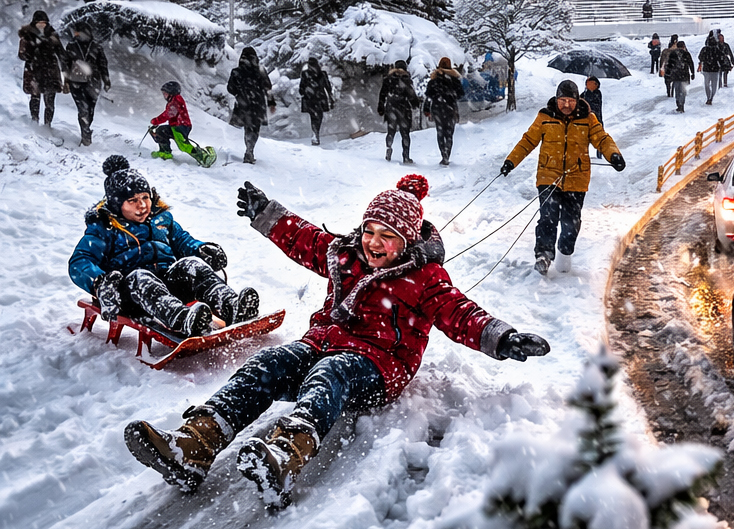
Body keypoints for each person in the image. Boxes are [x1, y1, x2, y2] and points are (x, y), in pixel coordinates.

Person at [123, 174, 549, 510]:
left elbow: (459, 312)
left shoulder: (424, 277)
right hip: (323, 340)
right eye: (370, 230)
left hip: (380, 364)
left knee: (330, 373)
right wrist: (266, 213)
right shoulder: (345, 253)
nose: (374, 243)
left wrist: (502, 338)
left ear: (407, 241)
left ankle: (287, 455)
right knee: (270, 362)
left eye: (388, 236)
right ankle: (195, 444)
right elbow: (303, 238)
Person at [71, 155, 259, 338]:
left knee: (192, 265)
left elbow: (182, 241)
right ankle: (184, 321)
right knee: (140, 276)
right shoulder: (104, 228)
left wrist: (202, 250)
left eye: (145, 197)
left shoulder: (161, 219)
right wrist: (99, 283)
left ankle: (232, 306)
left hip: (167, 287)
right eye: (132, 200)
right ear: (117, 205)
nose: (142, 205)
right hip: (129, 295)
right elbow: (80, 262)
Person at [501, 80, 625, 275]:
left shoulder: (587, 118)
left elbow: (602, 139)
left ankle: (565, 255)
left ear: (577, 100)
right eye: (562, 100)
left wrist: (614, 155)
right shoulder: (545, 117)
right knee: (548, 216)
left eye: (570, 101)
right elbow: (528, 141)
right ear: (556, 99)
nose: (566, 105)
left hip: (577, 178)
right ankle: (543, 254)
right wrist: (511, 161)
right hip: (548, 176)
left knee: (571, 222)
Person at [63, 26, 110, 146]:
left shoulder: (96, 46)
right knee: (83, 109)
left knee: (90, 111)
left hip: (93, 82)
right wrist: (66, 81)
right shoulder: (71, 45)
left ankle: (87, 128)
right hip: (76, 81)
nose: (77, 34)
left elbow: (103, 64)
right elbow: (66, 64)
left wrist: (106, 80)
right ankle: (86, 136)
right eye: (76, 32)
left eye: (79, 32)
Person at [228, 47, 274, 165]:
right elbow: (268, 86)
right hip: (257, 104)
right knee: (254, 129)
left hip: (243, 104)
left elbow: (230, 88)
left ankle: (248, 149)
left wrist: (240, 92)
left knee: (247, 128)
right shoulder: (260, 70)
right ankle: (250, 150)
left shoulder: (236, 72)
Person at [18, 9, 64, 127]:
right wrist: (32, 52)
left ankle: (48, 124)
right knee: (35, 98)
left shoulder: (52, 35)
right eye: (39, 23)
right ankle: (35, 121)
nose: (41, 25)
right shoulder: (27, 35)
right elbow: (22, 54)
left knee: (50, 100)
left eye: (43, 23)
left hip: (50, 70)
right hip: (34, 70)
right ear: (34, 23)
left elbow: (61, 52)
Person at [424, 57, 465, 166]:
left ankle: (443, 154)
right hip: (450, 108)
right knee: (449, 133)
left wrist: (427, 109)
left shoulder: (434, 79)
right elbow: (461, 94)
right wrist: (452, 96)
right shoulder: (454, 79)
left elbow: (428, 96)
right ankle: (447, 153)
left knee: (440, 132)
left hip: (437, 108)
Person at [378, 60, 420, 164]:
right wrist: (415, 103)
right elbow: (411, 94)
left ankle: (389, 147)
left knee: (391, 130)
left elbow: (382, 93)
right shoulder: (406, 79)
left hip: (391, 107)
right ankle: (406, 156)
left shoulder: (388, 79)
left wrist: (381, 106)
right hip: (403, 108)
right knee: (405, 133)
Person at [149, 81, 193, 160]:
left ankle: (202, 156)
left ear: (171, 93)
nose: (164, 96)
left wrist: (156, 120)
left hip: (181, 126)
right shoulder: (173, 101)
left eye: (165, 93)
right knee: (161, 131)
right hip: (176, 126)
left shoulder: (176, 100)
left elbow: (169, 114)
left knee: (183, 146)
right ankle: (165, 151)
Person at [298, 58, 334, 145]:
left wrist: (305, 91)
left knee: (313, 117)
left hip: (310, 98)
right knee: (318, 117)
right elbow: (328, 87)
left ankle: (315, 133)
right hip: (320, 98)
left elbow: (301, 88)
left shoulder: (305, 73)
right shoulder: (322, 74)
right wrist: (330, 97)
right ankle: (315, 133)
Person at [664, 37, 695, 112]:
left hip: (676, 75)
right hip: (684, 75)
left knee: (677, 90)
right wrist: (692, 73)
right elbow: (691, 63)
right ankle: (682, 104)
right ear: (684, 46)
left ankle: (678, 104)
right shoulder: (686, 54)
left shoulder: (673, 53)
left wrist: (668, 74)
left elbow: (669, 64)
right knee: (683, 91)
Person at [699, 30, 727, 105]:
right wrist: (722, 65)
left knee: (707, 84)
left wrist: (704, 61)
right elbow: (721, 58)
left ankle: (709, 97)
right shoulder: (716, 50)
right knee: (714, 84)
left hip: (707, 69)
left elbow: (700, 57)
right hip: (715, 69)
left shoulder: (705, 49)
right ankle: (711, 97)